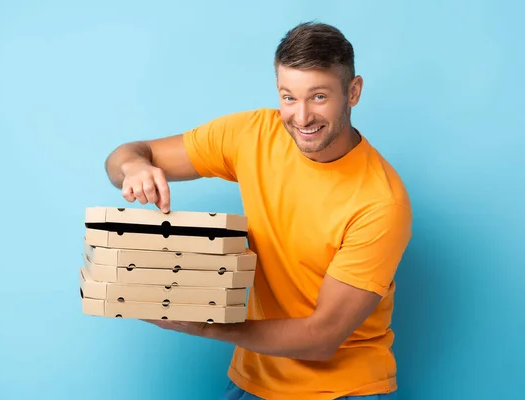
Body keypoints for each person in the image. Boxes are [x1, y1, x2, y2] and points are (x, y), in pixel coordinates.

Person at [104, 21, 412, 400]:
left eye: (318, 97)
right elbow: (127, 154)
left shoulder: (381, 202)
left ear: (353, 91)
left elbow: (321, 338)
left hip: (342, 390)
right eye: (288, 97)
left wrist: (204, 327)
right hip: (253, 379)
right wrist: (134, 169)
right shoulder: (253, 135)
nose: (301, 118)